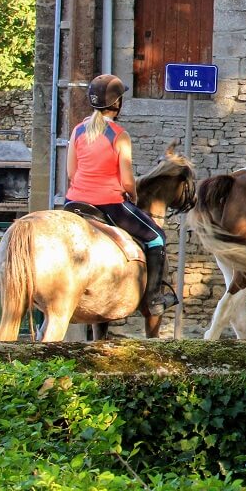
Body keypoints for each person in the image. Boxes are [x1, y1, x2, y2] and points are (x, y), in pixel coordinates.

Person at [66, 74, 176, 315]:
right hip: (109, 204)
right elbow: (127, 181)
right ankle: (154, 300)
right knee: (157, 237)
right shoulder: (119, 135)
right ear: (118, 104)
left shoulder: (78, 130)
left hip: (73, 202)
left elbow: (71, 172)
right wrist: (133, 196)